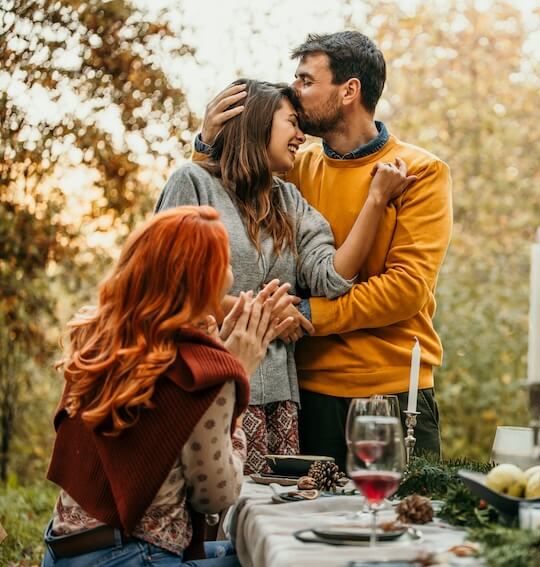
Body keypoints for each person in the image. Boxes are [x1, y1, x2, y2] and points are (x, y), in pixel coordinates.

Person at [195, 31, 453, 466]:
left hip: (391, 393)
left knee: (399, 525)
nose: (294, 92)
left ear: (349, 90)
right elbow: (229, 197)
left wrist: (310, 315)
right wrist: (206, 143)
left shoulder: (421, 173)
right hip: (305, 395)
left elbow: (407, 288)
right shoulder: (294, 170)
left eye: (306, 81)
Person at [158, 79, 414, 473]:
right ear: (258, 122)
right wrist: (265, 316)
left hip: (279, 399)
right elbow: (170, 289)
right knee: (211, 512)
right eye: (292, 123)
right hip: (203, 386)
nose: (301, 135)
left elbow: (331, 276)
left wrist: (376, 200)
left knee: (269, 516)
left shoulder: (288, 199)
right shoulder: (191, 183)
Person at [43, 205, 290, 566]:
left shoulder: (101, 342)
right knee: (276, 557)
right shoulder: (204, 374)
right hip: (134, 556)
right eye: (223, 260)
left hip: (65, 552)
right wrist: (235, 373)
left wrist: (214, 357)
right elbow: (216, 496)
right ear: (203, 281)